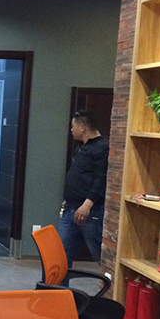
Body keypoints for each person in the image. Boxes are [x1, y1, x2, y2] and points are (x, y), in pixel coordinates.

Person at [60, 110, 109, 274]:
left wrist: (87, 205)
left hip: (89, 212)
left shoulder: (102, 147)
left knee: (99, 252)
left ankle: (111, 284)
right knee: (61, 256)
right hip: (70, 209)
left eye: (73, 126)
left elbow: (101, 179)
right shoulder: (82, 147)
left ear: (82, 127)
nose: (71, 130)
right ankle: (58, 289)